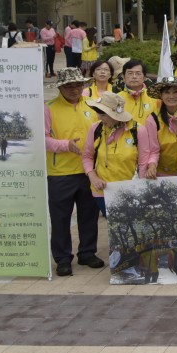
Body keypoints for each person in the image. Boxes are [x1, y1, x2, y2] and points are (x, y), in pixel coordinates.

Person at [44, 68, 104, 276]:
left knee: (89, 215)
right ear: (60, 87)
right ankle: (62, 258)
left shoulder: (92, 106)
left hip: (89, 172)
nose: (73, 89)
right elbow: (41, 139)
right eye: (68, 86)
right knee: (60, 218)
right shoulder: (49, 108)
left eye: (77, 85)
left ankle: (87, 252)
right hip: (60, 173)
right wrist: (65, 145)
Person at [83, 91, 145, 216]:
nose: (99, 117)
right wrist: (93, 176)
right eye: (98, 113)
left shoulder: (137, 130)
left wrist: (140, 189)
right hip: (102, 191)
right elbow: (87, 156)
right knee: (114, 231)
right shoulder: (95, 128)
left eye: (103, 114)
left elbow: (144, 162)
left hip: (130, 192)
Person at [139, 76, 177, 179]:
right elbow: (153, 150)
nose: (171, 96)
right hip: (161, 173)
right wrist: (151, 166)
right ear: (161, 95)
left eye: (176, 92)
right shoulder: (152, 119)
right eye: (167, 92)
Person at [117, 60, 159, 125]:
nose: (134, 76)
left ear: (144, 77)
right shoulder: (116, 99)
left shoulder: (154, 97)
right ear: (123, 77)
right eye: (130, 73)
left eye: (138, 73)